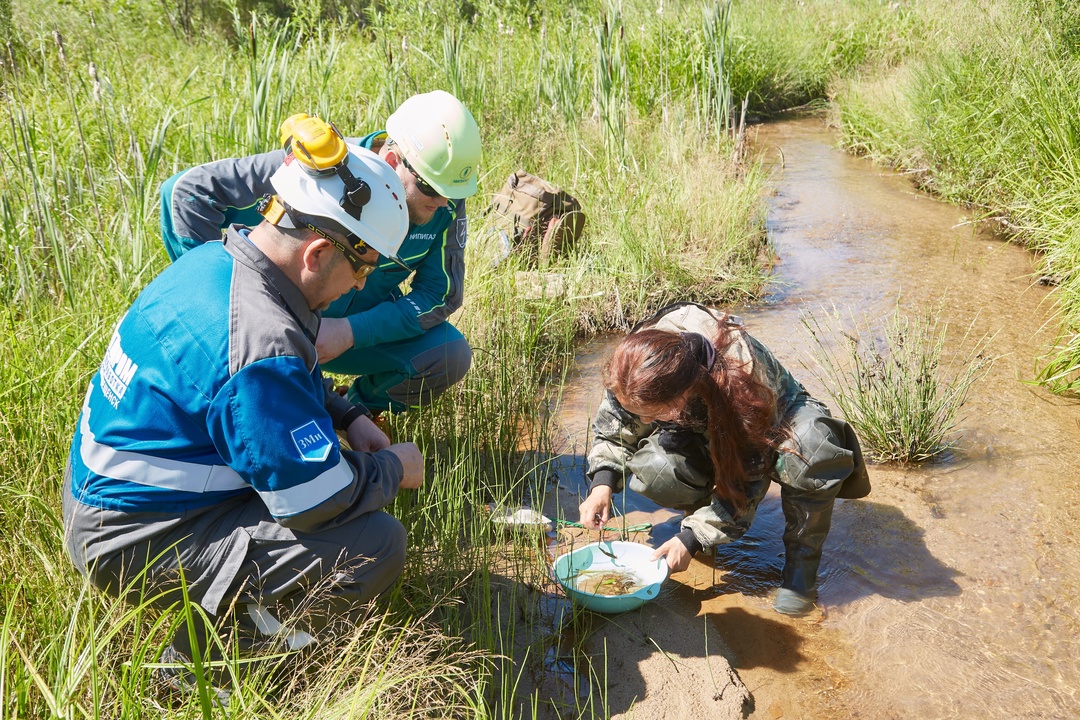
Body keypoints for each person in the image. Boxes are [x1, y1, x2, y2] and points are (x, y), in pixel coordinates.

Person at [63, 120, 424, 694]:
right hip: (130, 536)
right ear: (320, 251)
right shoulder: (260, 340)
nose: (358, 287)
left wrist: (347, 415)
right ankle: (193, 671)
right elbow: (316, 500)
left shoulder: (220, 261)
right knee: (375, 544)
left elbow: (273, 381)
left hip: (110, 498)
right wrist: (392, 470)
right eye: (362, 268)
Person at [159, 90, 482, 415]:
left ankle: (352, 417)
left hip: (353, 334)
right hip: (272, 330)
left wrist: (352, 332)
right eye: (432, 188)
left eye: (452, 194)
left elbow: (441, 294)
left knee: (448, 353)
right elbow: (187, 192)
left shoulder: (445, 197)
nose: (443, 202)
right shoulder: (322, 168)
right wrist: (222, 308)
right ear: (392, 161)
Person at [578, 302, 871, 616]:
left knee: (812, 452)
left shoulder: (743, 379)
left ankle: (802, 569)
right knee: (657, 470)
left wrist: (691, 538)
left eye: (651, 415)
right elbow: (614, 430)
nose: (644, 419)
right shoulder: (635, 367)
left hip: (774, 416)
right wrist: (602, 485)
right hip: (697, 418)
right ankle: (699, 510)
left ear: (679, 403)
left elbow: (747, 481)